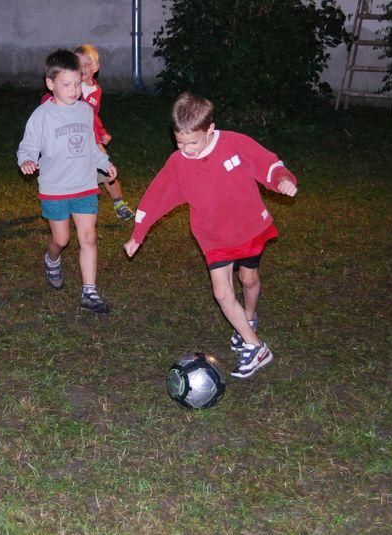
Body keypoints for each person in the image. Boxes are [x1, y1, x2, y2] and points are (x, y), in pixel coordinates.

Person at [124, 93, 298, 378]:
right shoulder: (178, 163)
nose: (186, 149)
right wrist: (138, 234)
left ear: (210, 129)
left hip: (248, 228)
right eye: (180, 143)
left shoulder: (235, 144)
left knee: (249, 279)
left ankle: (248, 319)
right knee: (222, 292)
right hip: (213, 236)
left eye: (192, 142)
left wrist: (283, 180)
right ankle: (256, 347)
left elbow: (268, 163)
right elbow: (157, 197)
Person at [18, 49, 117, 313]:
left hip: (85, 185)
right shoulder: (42, 115)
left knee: (88, 237)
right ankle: (52, 259)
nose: (74, 90)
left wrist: (104, 162)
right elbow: (28, 145)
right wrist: (27, 160)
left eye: (77, 83)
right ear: (50, 84)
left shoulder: (85, 110)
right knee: (61, 240)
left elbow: (91, 144)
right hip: (55, 188)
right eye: (66, 84)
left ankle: (89, 292)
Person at [74, 44, 134, 221]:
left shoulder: (96, 90)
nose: (83, 68)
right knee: (74, 174)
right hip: (74, 139)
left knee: (108, 171)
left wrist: (101, 133)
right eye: (78, 64)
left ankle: (119, 204)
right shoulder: (71, 87)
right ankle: (69, 203)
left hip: (93, 140)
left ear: (96, 67)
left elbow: (93, 115)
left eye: (87, 64)